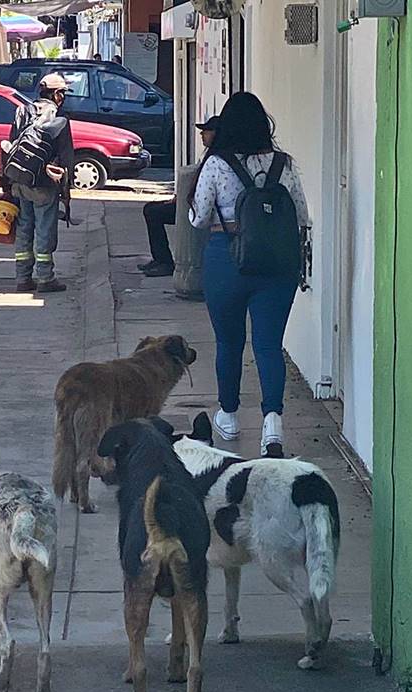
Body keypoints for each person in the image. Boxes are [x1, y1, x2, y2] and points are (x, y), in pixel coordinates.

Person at [189, 92, 310, 455]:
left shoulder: (215, 165)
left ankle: (228, 415)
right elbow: (301, 216)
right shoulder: (283, 165)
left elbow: (198, 218)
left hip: (226, 260)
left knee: (228, 343)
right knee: (269, 345)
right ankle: (272, 423)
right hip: (277, 266)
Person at [7, 73, 74, 294]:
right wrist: (66, 189)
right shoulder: (59, 119)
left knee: (24, 227)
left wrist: (8, 182)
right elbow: (66, 158)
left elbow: (10, 146)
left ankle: (22, 278)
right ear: (56, 94)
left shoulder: (22, 111)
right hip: (45, 184)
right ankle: (45, 278)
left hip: (21, 181)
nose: (63, 97)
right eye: (62, 93)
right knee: (45, 229)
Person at [139, 116, 219, 278]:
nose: (202, 134)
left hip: (200, 208)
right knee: (151, 208)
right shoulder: (209, 155)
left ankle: (165, 262)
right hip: (191, 202)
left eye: (206, 131)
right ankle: (160, 258)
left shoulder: (216, 159)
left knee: (154, 213)